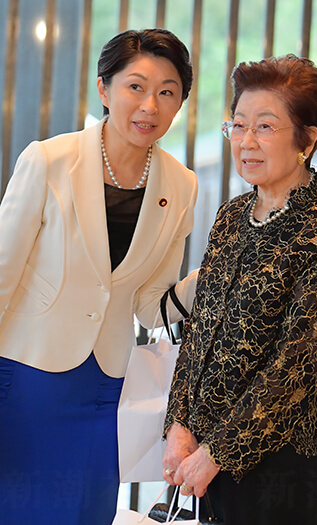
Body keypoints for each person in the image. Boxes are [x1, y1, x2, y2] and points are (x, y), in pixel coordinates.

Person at [0, 28, 198, 525]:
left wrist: (216, 277)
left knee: (84, 510)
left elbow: (151, 302)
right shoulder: (48, 160)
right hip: (25, 374)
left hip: (103, 386)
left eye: (167, 91)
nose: (149, 105)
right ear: (104, 88)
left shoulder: (182, 184)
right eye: (136, 86)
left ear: (180, 105)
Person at [163, 54, 317, 525]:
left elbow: (296, 366)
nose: (246, 141)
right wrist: (178, 426)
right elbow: (199, 329)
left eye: (265, 127)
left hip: (278, 467)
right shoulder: (230, 217)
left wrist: (216, 454)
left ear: (307, 139)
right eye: (238, 125)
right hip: (203, 455)